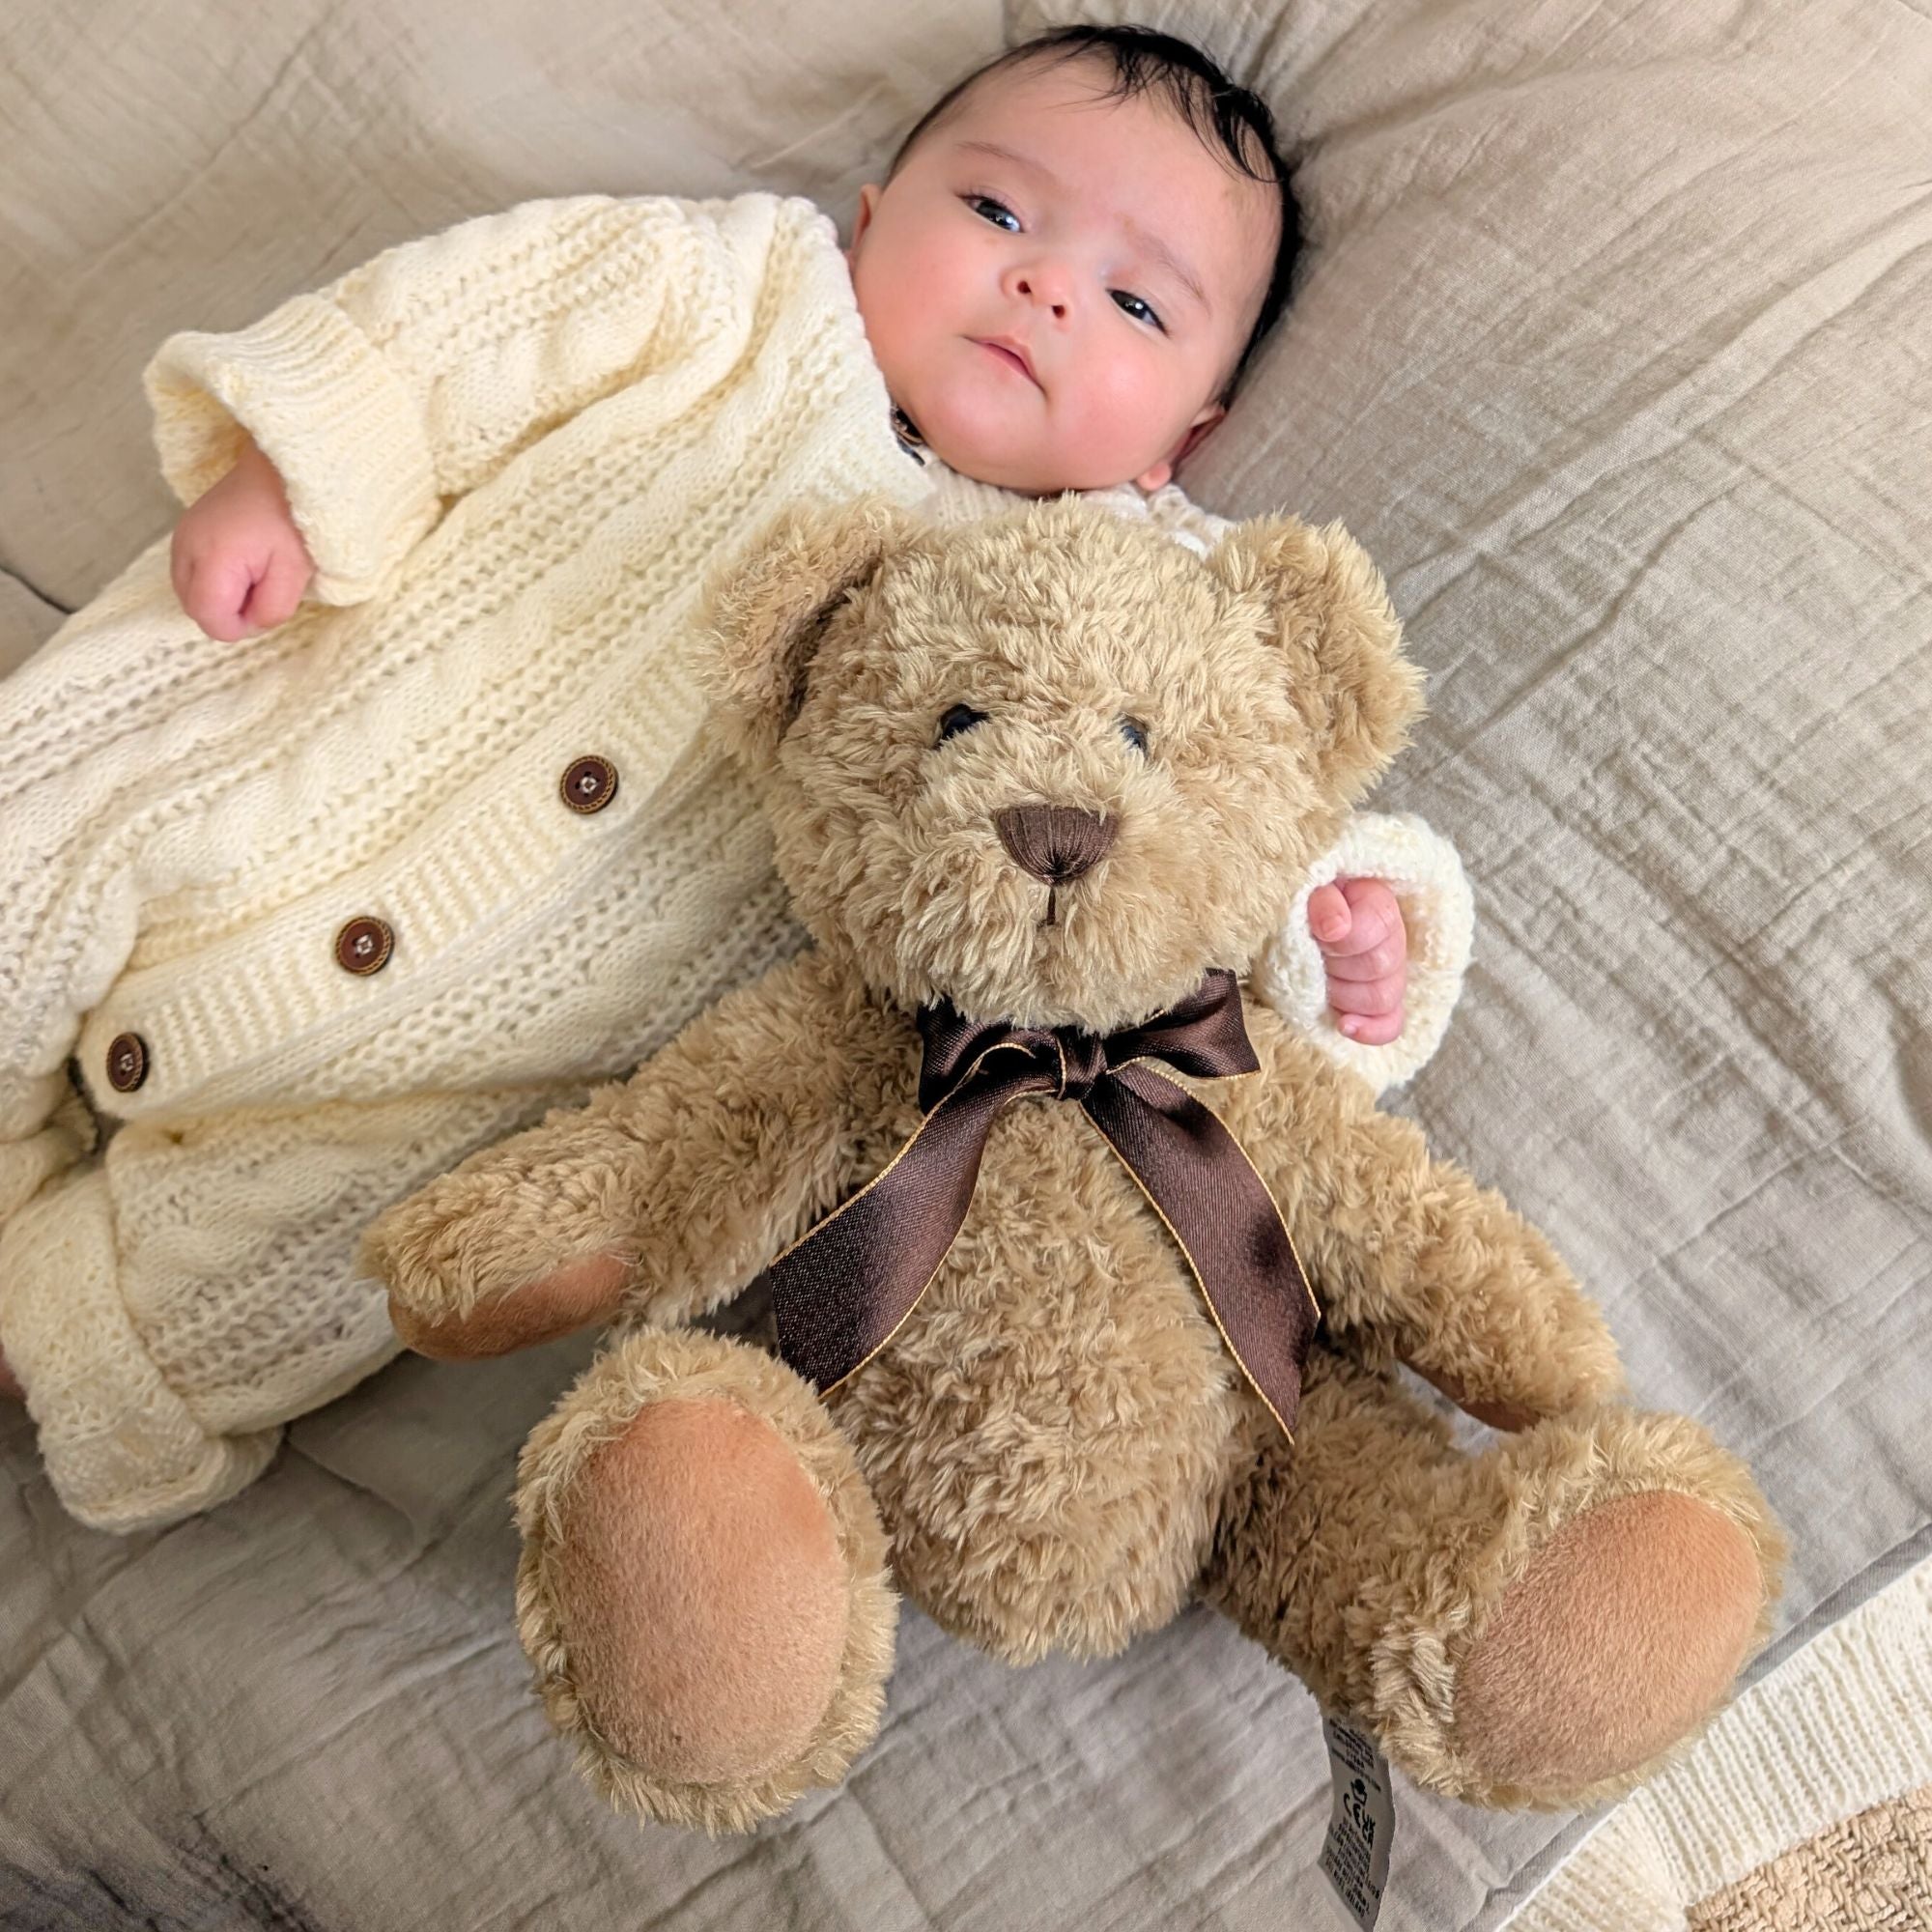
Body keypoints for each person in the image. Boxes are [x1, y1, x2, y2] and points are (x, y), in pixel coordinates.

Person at [0, 25, 1470, 1530]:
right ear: (874, 217)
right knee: (42, 834)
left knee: (265, 1289)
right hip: (278, 760)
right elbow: (468, 333)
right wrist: (300, 473)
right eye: (1000, 215)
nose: (1045, 286)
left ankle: (40, 1336)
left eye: (1138, 299)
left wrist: (1338, 919)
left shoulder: (1129, 584)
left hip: (480, 1059)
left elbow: (1231, 787)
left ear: (1187, 437)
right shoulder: (736, 291)